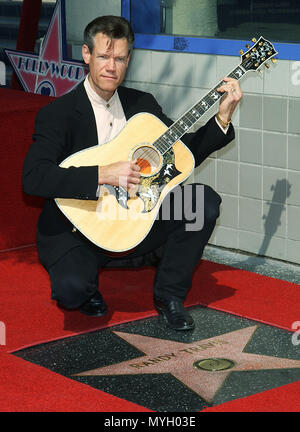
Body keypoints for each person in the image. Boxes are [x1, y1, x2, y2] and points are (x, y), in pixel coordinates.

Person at [22, 16, 242, 331]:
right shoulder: (57, 114)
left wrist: (221, 118)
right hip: (81, 229)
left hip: (138, 216)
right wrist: (102, 173)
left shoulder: (142, 105)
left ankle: (170, 296)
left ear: (128, 60)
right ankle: (88, 286)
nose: (111, 66)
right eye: (103, 56)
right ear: (86, 55)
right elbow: (34, 178)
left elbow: (181, 153)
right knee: (72, 292)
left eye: (120, 58)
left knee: (200, 202)